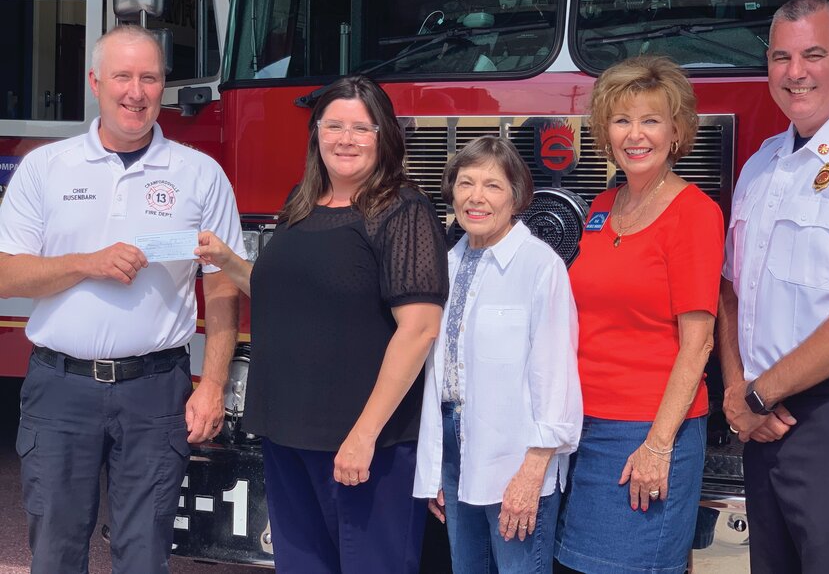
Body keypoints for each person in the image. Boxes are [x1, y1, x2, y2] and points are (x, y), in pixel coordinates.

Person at [0, 25, 244, 574]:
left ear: (163, 86)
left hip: (156, 392)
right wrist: (87, 263)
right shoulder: (45, 168)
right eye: (122, 77)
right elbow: (5, 275)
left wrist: (214, 385)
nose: (136, 92)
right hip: (60, 391)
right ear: (95, 83)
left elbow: (222, 284)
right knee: (56, 552)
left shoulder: (200, 174)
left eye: (150, 78)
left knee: (144, 555)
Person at [195, 75, 449, 574]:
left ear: (384, 136)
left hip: (363, 443)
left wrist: (364, 434)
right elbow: (286, 294)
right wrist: (228, 261)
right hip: (288, 431)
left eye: (361, 127)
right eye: (334, 126)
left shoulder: (402, 210)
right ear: (316, 134)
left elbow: (419, 329)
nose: (345, 139)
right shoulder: (301, 204)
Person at [555, 55, 724, 574]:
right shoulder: (604, 206)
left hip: (643, 432)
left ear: (676, 131)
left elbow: (698, 343)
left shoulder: (694, 214)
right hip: (579, 427)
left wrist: (657, 445)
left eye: (651, 120)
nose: (636, 134)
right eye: (622, 120)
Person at [719, 0, 829, 573]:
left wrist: (756, 395)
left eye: (813, 55)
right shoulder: (761, 164)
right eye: (781, 57)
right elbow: (729, 290)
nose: (795, 72)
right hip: (758, 423)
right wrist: (737, 394)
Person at [413, 136, 583, 574]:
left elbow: (556, 375)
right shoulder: (446, 264)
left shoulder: (539, 265)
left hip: (517, 456)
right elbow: (437, 374)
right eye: (466, 183)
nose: (476, 197)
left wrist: (533, 471)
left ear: (517, 196)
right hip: (457, 449)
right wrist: (438, 470)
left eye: (492, 185)